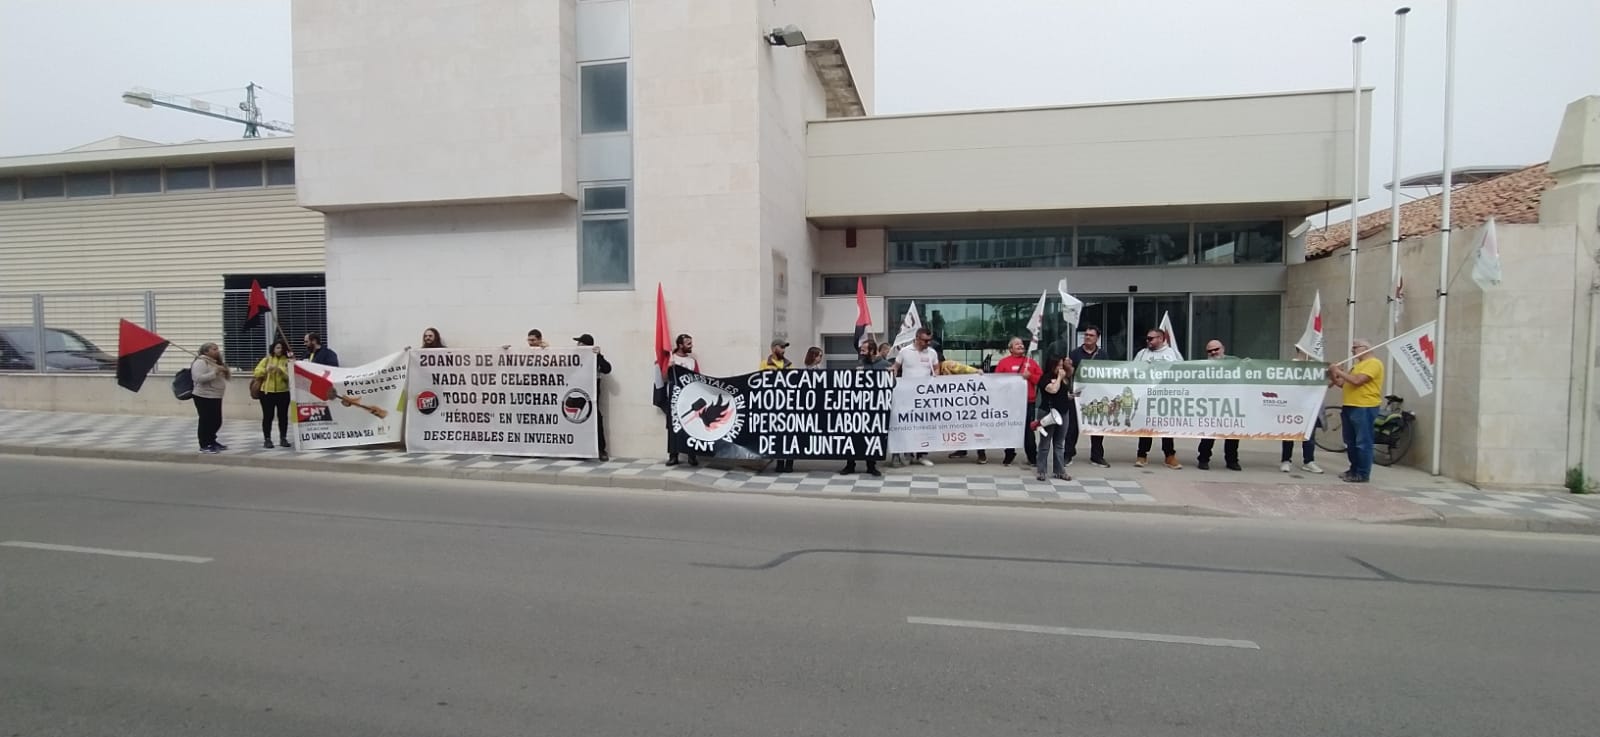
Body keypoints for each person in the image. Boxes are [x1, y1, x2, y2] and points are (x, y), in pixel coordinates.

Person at [1328, 338, 1384, 483]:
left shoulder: (1374, 363)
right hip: (1349, 405)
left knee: (1363, 442)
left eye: (1355, 347)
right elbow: (1343, 384)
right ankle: (1353, 469)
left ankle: (1363, 473)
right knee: (1350, 441)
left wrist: (1339, 372)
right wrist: (1334, 374)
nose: (1352, 350)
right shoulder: (1357, 365)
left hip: (1364, 407)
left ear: (1365, 348)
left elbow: (1357, 381)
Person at [1133, 326, 1182, 469]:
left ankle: (1169, 456)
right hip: (1147, 396)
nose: (1148, 341)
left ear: (1161, 338)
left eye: (1151, 338)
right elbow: (1134, 371)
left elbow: (1182, 372)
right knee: (1146, 426)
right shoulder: (1142, 353)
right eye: (1147, 338)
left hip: (1166, 396)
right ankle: (1142, 455)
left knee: (1166, 426)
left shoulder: (1172, 354)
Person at [894, 327, 941, 467]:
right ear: (917, 338)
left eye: (929, 340)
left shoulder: (932, 352)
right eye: (925, 340)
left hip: (925, 396)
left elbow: (937, 368)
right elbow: (896, 367)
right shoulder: (905, 351)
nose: (928, 343)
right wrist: (893, 379)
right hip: (907, 396)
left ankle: (922, 454)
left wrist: (936, 376)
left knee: (924, 425)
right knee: (908, 424)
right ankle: (908, 453)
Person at [1195, 339, 1242, 471]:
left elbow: (1248, 367)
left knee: (1232, 435)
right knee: (1208, 435)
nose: (1214, 352)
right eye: (1210, 351)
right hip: (1211, 404)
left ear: (1223, 349)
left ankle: (1232, 461)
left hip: (1230, 403)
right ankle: (1203, 459)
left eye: (1216, 349)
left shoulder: (1235, 361)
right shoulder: (1203, 366)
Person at [1067, 325, 1110, 467]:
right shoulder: (1074, 354)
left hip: (1096, 396)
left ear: (1097, 338)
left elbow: (1107, 374)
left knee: (1096, 425)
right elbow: (1069, 375)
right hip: (1078, 396)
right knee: (1072, 427)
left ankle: (1097, 456)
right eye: (1086, 334)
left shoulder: (1102, 355)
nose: (1087, 337)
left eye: (1091, 335)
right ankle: (1068, 454)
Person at [995, 337, 1042, 467]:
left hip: (1028, 402)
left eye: (1021, 344)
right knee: (1010, 427)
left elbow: (1041, 380)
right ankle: (1009, 454)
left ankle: (1033, 457)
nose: (1021, 346)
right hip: (1010, 402)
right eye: (1017, 344)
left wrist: (1030, 376)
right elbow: (996, 381)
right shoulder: (1003, 363)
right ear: (1010, 349)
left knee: (1028, 430)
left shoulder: (1031, 363)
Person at [1282, 350, 1325, 474]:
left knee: (1309, 436)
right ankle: (1286, 460)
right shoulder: (1290, 366)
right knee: (1288, 435)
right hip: (1293, 406)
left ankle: (1309, 461)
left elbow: (1322, 386)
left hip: (1309, 407)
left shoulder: (1316, 367)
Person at [758, 339, 796, 472]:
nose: (784, 350)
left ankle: (789, 463)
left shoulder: (789, 365)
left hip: (787, 405)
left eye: (784, 348)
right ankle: (780, 462)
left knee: (790, 434)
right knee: (778, 435)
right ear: (773, 348)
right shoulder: (764, 364)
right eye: (781, 347)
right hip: (773, 406)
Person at [1036, 356, 1075, 482]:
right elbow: (1053, 390)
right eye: (1058, 365)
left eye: (1062, 365)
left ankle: (1060, 470)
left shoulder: (1065, 379)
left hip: (1063, 413)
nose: (1061, 368)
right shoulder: (1045, 378)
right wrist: (1059, 378)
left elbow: (1062, 392)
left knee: (1059, 443)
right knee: (1045, 443)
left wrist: (1070, 396)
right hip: (1048, 413)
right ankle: (1041, 470)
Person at [573, 334, 611, 461]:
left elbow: (607, 369)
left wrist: (598, 355)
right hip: (576, 395)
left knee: (597, 420)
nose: (578, 346)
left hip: (592, 397)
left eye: (581, 344)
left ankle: (601, 450)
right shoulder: (574, 358)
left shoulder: (596, 358)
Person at [665, 333, 700, 467]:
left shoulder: (692, 361)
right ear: (680, 345)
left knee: (692, 426)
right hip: (674, 399)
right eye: (688, 343)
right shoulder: (671, 358)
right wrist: (668, 367)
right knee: (673, 427)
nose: (691, 346)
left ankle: (692, 455)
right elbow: (663, 378)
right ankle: (673, 455)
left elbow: (697, 378)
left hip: (689, 399)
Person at [191, 342, 231, 453]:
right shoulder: (200, 362)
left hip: (216, 395)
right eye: (214, 349)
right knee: (206, 420)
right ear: (206, 351)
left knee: (217, 420)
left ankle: (212, 440)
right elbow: (198, 378)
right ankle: (204, 444)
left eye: (217, 348)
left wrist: (224, 370)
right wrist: (214, 372)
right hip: (204, 395)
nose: (217, 351)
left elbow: (225, 377)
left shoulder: (215, 362)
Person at [253, 339, 292, 449]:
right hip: (267, 393)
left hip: (283, 392)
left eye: (281, 348)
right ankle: (267, 439)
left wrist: (280, 371)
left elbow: (291, 376)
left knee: (283, 416)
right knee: (268, 416)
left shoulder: (288, 361)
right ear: (273, 349)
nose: (279, 350)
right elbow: (256, 372)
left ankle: (283, 438)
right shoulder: (266, 360)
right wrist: (266, 370)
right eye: (277, 347)